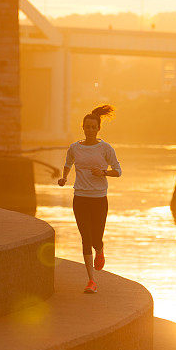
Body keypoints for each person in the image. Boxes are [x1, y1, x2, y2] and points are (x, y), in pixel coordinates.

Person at [58, 104, 122, 294]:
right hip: (80, 198)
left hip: (99, 199)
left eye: (94, 127)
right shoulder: (74, 148)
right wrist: (64, 177)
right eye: (87, 127)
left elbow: (118, 171)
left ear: (98, 129)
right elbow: (68, 163)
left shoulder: (105, 148)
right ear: (83, 127)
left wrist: (103, 172)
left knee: (96, 238)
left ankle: (100, 250)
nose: (90, 130)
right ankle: (91, 280)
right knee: (85, 237)